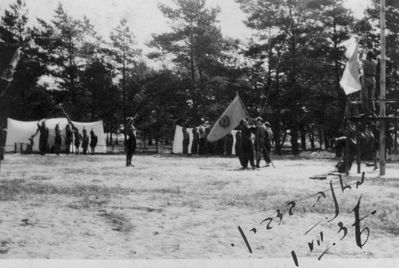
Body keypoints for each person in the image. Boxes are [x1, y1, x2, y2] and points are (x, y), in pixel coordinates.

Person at [360, 50, 377, 116]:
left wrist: (362, 51)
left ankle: (366, 112)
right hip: (373, 79)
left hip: (366, 79)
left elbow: (359, 58)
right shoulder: (375, 62)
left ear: (368, 55)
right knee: (371, 97)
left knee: (364, 96)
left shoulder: (365, 61)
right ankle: (373, 112)